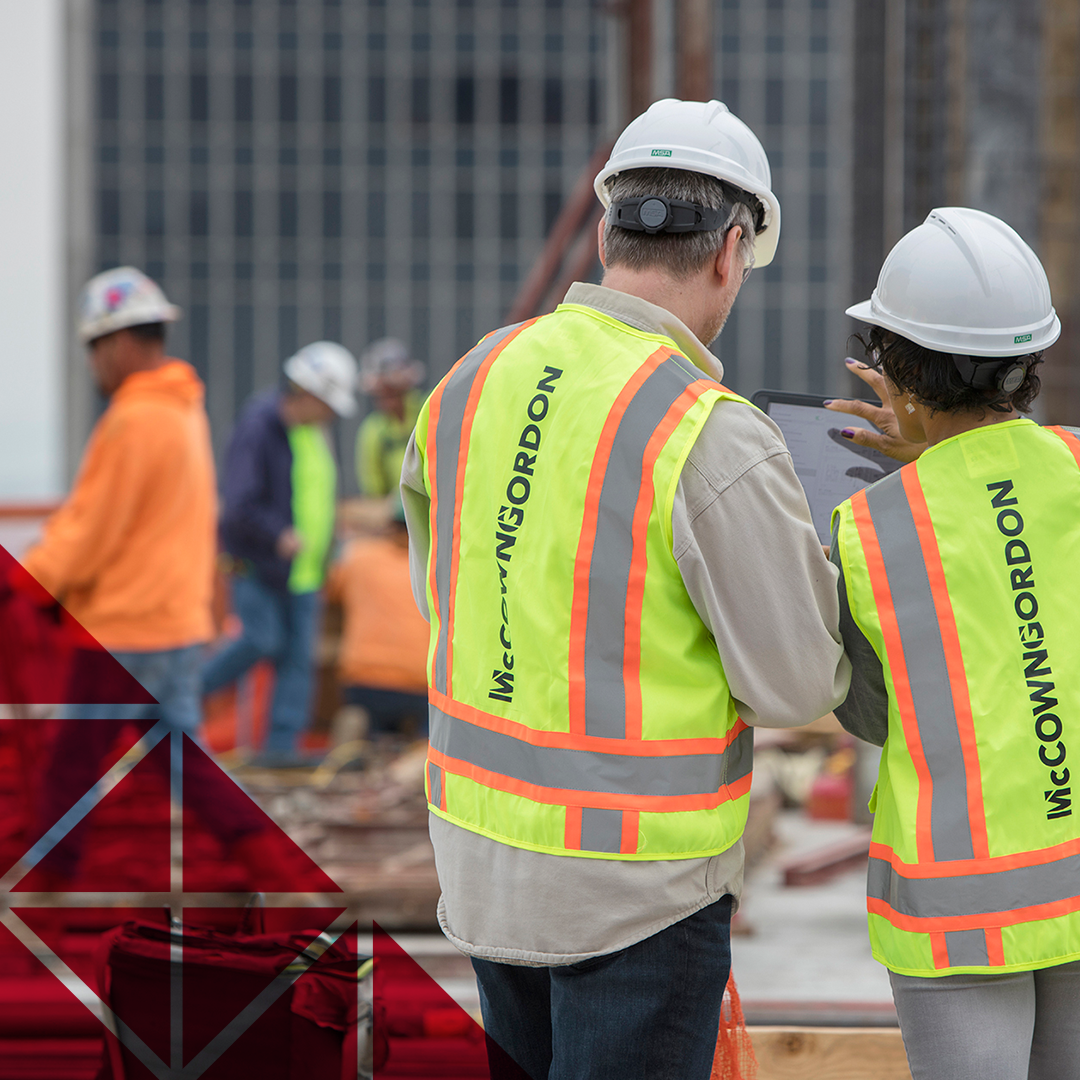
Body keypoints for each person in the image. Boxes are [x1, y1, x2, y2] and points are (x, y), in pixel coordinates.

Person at [401, 99, 850, 1080]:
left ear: (609, 231)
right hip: (637, 898)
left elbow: (450, 596)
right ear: (731, 251)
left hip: (483, 864)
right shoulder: (707, 432)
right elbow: (796, 684)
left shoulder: (472, 379)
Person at [826, 207, 1080, 1080]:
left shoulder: (869, 528)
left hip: (959, 906)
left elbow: (869, 714)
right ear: (1030, 364)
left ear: (893, 372)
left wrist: (920, 474)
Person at [20, 266, 274, 889]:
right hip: (173, 621)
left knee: (71, 767)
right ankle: (267, 862)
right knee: (181, 758)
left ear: (117, 342)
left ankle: (42, 894)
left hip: (124, 627)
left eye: (92, 348)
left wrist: (29, 582)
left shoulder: (135, 419)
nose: (92, 364)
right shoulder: (182, 411)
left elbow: (90, 529)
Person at [202, 341, 358, 768]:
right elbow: (240, 503)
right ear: (308, 394)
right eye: (326, 403)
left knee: (296, 661)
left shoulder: (310, 432)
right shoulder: (260, 426)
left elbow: (314, 491)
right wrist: (279, 536)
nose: (330, 414)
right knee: (260, 639)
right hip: (257, 564)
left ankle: (280, 753)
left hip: (303, 572)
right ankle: (187, 697)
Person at [326, 501, 429, 745]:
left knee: (363, 737)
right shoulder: (433, 567)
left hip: (363, 679)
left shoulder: (358, 556)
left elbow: (330, 592)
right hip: (418, 682)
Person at [355, 338, 425, 497]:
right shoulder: (373, 430)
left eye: (393, 390)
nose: (386, 400)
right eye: (380, 393)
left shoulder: (428, 413)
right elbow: (373, 491)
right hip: (396, 515)